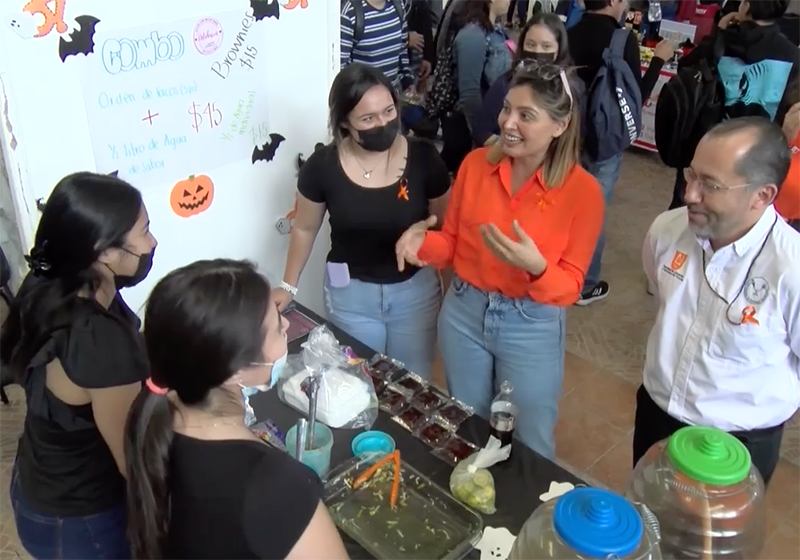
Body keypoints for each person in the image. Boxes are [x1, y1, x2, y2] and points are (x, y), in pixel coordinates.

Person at [396, 63, 604, 458]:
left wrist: (537, 267)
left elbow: (571, 287)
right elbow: (453, 244)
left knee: (529, 441)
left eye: (526, 115)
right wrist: (420, 244)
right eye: (507, 108)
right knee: (469, 426)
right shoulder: (476, 165)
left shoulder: (583, 192)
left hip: (531, 324)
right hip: (464, 312)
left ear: (560, 126)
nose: (508, 122)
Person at [124, 259, 350, 560]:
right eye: (276, 326)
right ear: (235, 369)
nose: (285, 325)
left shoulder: (151, 421)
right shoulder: (279, 487)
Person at [0, 173, 157, 560]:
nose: (152, 242)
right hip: (78, 522)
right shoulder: (101, 343)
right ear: (104, 252)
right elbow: (133, 462)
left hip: (37, 479)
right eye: (144, 232)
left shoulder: (48, 282)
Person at [637, 117, 800, 485]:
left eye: (710, 185)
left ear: (762, 196)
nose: (690, 194)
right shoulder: (667, 230)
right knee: (645, 509)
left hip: (736, 446)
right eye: (691, 175)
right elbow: (663, 295)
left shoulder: (791, 269)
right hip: (657, 416)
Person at [274, 63, 450, 380]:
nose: (383, 123)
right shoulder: (322, 167)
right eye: (368, 118)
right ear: (344, 121)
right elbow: (304, 228)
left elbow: (446, 226)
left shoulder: (425, 158)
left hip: (415, 295)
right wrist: (288, 286)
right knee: (360, 383)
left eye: (388, 111)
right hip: (350, 297)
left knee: (412, 382)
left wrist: (426, 237)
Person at [569, 0, 675, 305]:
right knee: (593, 210)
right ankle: (585, 284)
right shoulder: (621, 38)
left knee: (564, 200)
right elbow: (635, 95)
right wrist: (658, 60)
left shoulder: (568, 33)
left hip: (567, 135)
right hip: (603, 140)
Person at [667, 0, 800, 210]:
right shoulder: (792, 55)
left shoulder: (721, 42)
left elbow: (685, 71)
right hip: (756, 155)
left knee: (686, 208)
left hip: (705, 145)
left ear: (746, 6)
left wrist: (717, 33)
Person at [475, 13, 574, 146]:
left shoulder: (569, 90)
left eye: (546, 46)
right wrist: (511, 146)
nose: (537, 51)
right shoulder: (506, 83)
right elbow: (482, 131)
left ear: (559, 50)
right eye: (531, 44)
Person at [441, 0, 513, 173]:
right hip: (471, 130)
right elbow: (469, 93)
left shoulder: (495, 30)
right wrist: (482, 135)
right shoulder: (473, 35)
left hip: (493, 123)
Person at [341, 0, 415, 92]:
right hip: (366, 97)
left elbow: (402, 51)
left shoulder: (398, 6)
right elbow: (342, 66)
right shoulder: (350, 13)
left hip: (394, 95)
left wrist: (407, 82)